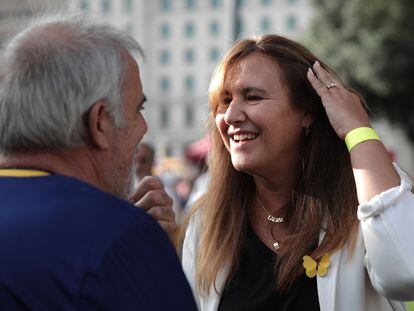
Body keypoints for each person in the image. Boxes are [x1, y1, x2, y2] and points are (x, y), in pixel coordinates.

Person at [181, 34, 414, 311]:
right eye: (224, 101)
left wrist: (357, 129)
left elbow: (406, 274)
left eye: (253, 97)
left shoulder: (363, 203)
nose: (231, 116)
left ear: (307, 113)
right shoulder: (205, 224)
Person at [0, 14, 196, 310]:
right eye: (138, 109)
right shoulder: (119, 239)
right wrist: (142, 251)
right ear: (100, 122)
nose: (143, 128)